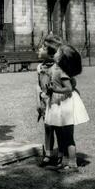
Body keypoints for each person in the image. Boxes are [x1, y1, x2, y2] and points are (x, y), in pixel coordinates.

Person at [44, 44, 89, 172]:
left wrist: (55, 89)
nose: (55, 53)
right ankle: (65, 162)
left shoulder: (62, 72)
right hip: (60, 103)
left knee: (68, 136)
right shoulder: (56, 69)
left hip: (65, 103)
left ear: (62, 58)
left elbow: (69, 88)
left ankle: (73, 163)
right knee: (64, 135)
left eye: (58, 52)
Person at [36, 34, 63, 167]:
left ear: (51, 52)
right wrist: (38, 101)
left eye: (43, 48)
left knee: (58, 128)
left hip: (56, 101)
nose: (40, 49)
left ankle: (61, 154)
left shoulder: (57, 68)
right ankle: (48, 154)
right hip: (44, 101)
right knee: (47, 128)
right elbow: (38, 85)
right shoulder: (40, 67)